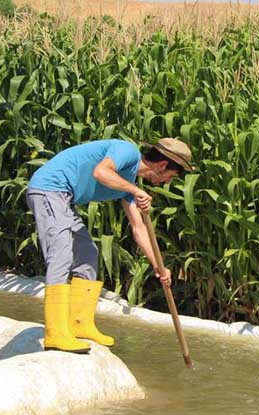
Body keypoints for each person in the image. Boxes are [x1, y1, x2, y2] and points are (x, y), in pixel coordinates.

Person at [25, 138, 195, 353]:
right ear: (162, 166)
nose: (166, 183)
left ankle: (80, 324)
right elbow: (101, 172)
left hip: (64, 199)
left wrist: (159, 267)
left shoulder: (128, 182)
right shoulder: (127, 151)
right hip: (48, 190)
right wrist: (135, 191)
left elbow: (139, 228)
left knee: (87, 253)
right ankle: (55, 333)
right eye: (170, 177)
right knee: (61, 252)